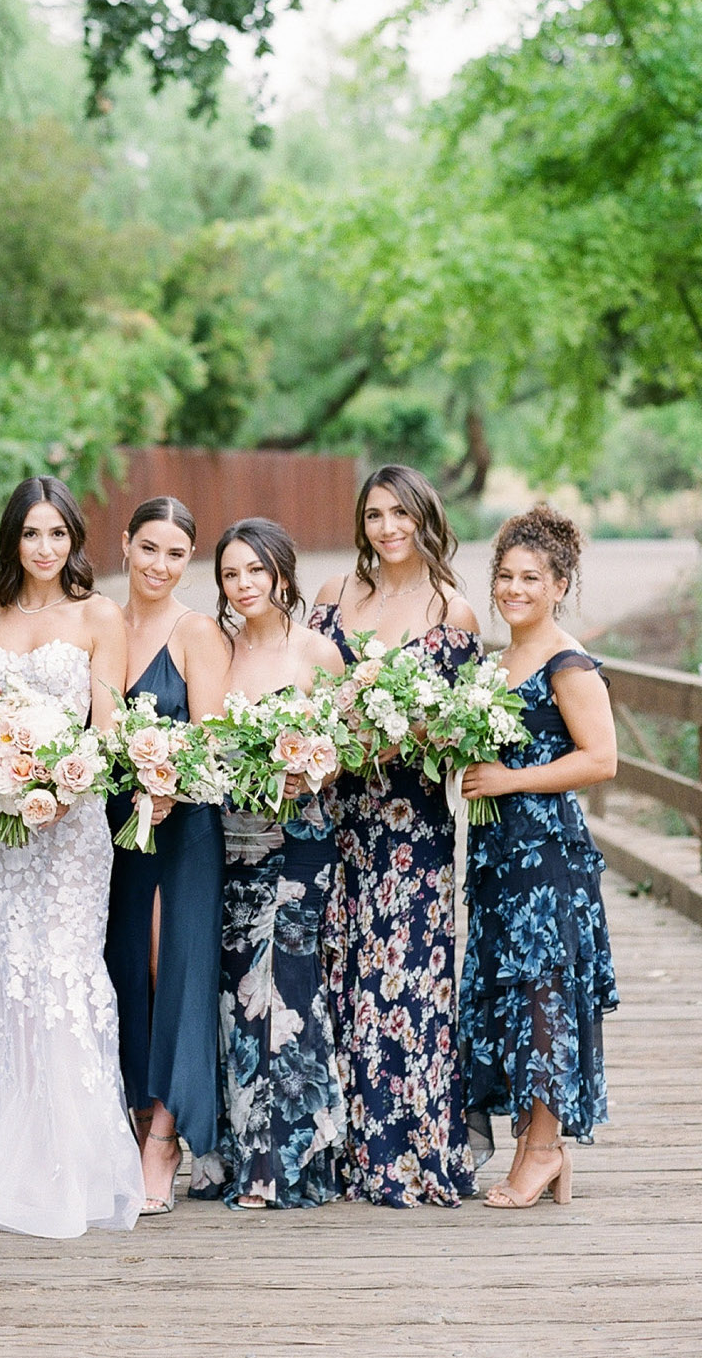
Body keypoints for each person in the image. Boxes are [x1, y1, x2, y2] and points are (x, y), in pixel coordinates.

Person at [0, 475, 144, 1238]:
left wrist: (63, 774)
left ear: (74, 540)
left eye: (58, 534)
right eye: (31, 534)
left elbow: (107, 724)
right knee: (6, 967)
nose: (45, 548)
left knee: (66, 969)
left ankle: (75, 1161)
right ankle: (0, 1148)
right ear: (11, 540)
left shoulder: (100, 615)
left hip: (74, 826)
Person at [310, 464, 480, 1207]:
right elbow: (299, 693)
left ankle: (408, 1150)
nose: (386, 528)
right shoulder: (331, 598)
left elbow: (458, 730)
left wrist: (405, 735)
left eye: (399, 514)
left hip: (413, 823)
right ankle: (345, 1147)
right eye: (374, 515)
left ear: (423, 518)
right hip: (335, 816)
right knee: (340, 975)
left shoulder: (455, 610)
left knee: (407, 979)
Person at [459, 505, 618, 1208]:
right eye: (504, 575)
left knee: (544, 994)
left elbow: (602, 759)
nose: (514, 588)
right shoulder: (497, 663)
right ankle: (531, 1140)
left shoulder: (567, 662)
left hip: (547, 855)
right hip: (498, 855)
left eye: (531, 577)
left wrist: (510, 778)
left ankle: (545, 1150)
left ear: (560, 585)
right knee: (510, 995)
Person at [192, 519, 348, 1211]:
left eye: (256, 570)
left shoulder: (319, 653)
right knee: (236, 998)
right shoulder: (218, 650)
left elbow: (345, 753)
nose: (244, 584)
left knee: (285, 992)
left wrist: (307, 768)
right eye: (231, 573)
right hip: (230, 842)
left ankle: (282, 1162)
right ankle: (238, 1151)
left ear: (282, 572)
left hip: (300, 843)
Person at [102, 497, 225, 1216]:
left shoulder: (195, 631)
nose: (159, 565)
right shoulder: (101, 623)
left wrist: (170, 782)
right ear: (126, 545)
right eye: (149, 548)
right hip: (110, 827)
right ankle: (125, 1118)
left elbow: (208, 739)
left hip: (180, 828)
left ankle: (165, 1136)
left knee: (167, 965)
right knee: (119, 969)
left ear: (190, 561)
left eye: (176, 554)